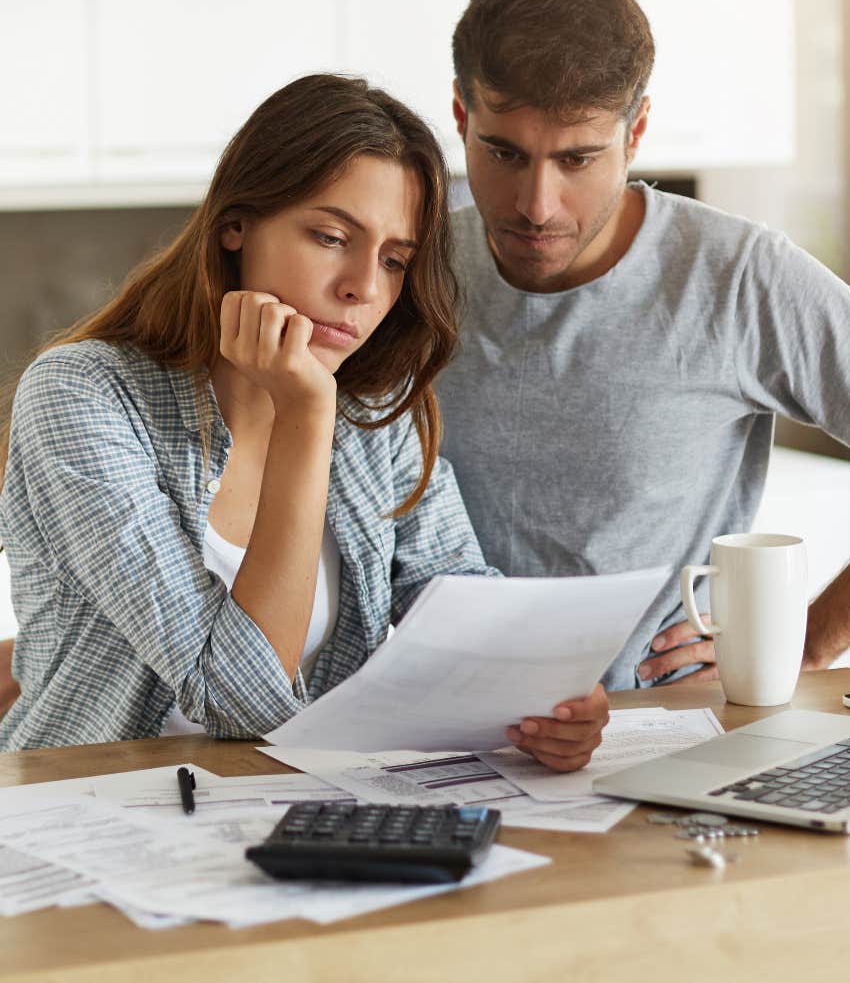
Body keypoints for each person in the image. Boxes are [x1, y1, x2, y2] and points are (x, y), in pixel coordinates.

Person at [0, 73, 608, 763]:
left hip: (294, 811)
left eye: (394, 260)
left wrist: (543, 693)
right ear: (235, 226)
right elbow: (238, 699)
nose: (363, 287)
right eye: (329, 236)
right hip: (86, 817)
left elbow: (458, 608)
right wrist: (306, 417)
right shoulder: (82, 395)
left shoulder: (376, 411)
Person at [437, 0, 850, 691]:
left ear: (638, 132)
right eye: (504, 153)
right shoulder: (413, 270)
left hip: (661, 736)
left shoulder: (737, 276)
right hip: (443, 734)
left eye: (578, 158)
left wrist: (805, 640)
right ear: (462, 119)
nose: (537, 204)